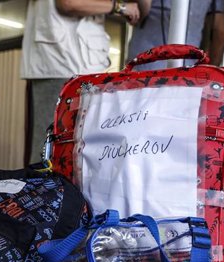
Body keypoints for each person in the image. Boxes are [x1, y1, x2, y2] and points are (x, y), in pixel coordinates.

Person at [21, 0, 141, 165]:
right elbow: (70, 3)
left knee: (61, 149)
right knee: (52, 150)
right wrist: (119, 7)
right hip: (65, 61)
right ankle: (45, 189)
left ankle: (48, 189)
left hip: (69, 61)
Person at [126, 0, 224, 70]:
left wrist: (211, 74)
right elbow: (136, 13)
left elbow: (219, 32)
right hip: (147, 61)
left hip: (185, 67)